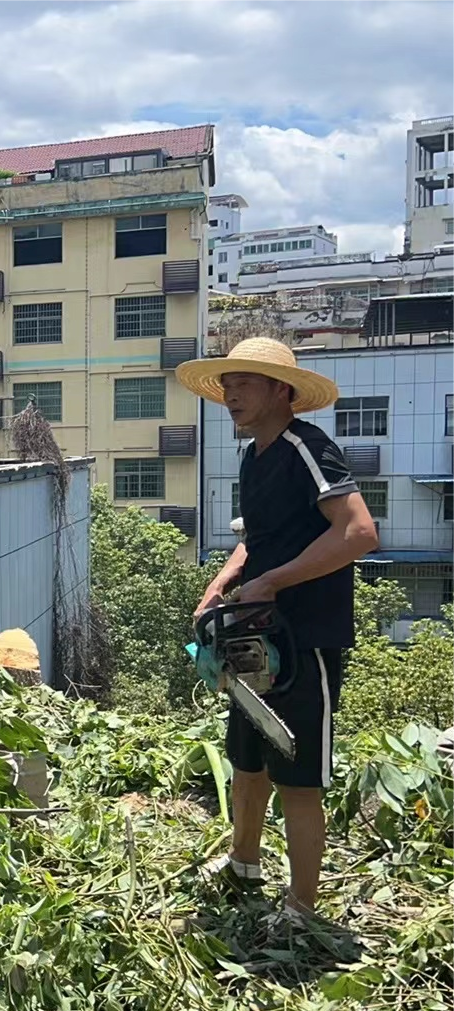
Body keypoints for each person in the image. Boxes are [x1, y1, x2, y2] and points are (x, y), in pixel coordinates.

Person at [176, 338, 379, 919]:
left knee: (298, 777)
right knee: (248, 761)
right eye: (227, 384)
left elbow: (358, 532)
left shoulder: (306, 447)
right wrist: (224, 580)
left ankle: (301, 908)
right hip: (256, 635)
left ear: (281, 390)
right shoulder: (254, 455)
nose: (231, 395)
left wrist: (274, 581)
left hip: (305, 636)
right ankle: (243, 861)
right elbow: (256, 538)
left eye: (245, 382)